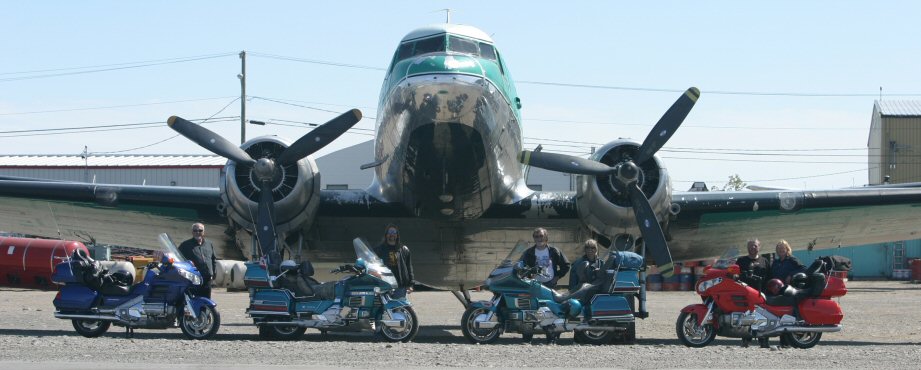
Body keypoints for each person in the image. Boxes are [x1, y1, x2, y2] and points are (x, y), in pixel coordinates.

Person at [373, 224, 414, 299]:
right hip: (384, 285)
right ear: (386, 234)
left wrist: (410, 284)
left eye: (394, 232)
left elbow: (409, 267)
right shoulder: (378, 249)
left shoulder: (404, 249)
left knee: (398, 308)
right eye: (390, 232)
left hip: (400, 285)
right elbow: (372, 264)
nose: (392, 234)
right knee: (382, 308)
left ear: (397, 235)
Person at [178, 222, 217, 298]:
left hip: (207, 280)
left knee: (206, 301)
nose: (197, 232)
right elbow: (179, 259)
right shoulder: (185, 245)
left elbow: (213, 260)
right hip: (194, 280)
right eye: (195, 230)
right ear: (192, 232)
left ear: (203, 232)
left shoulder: (209, 244)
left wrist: (213, 274)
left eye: (200, 230)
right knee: (194, 301)